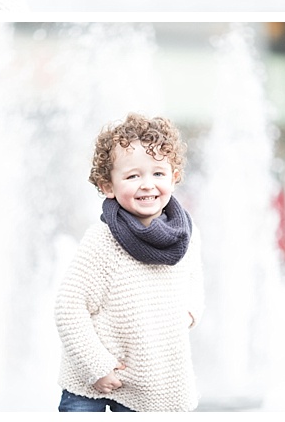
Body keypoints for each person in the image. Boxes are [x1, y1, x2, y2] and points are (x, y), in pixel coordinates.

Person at [54, 114, 204, 412]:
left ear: (174, 177)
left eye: (158, 174)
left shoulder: (185, 234)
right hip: (93, 380)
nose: (147, 185)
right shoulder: (103, 240)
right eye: (133, 176)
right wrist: (97, 367)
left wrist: (189, 313)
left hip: (154, 376)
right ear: (108, 186)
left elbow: (193, 280)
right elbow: (68, 307)